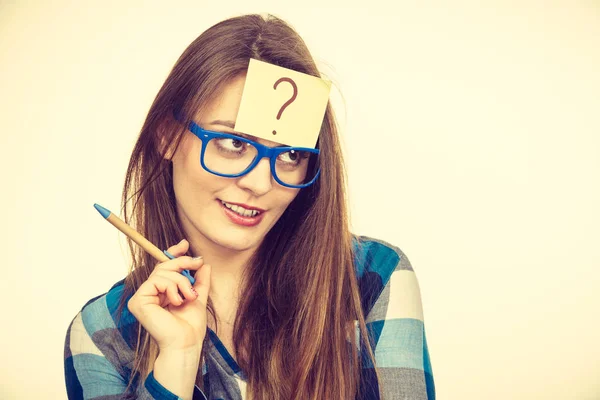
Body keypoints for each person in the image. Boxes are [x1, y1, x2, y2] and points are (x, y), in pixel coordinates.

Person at [63, 13, 435, 400]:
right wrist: (177, 361)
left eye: (291, 153)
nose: (260, 184)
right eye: (233, 144)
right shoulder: (99, 332)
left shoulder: (373, 279)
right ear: (168, 137)